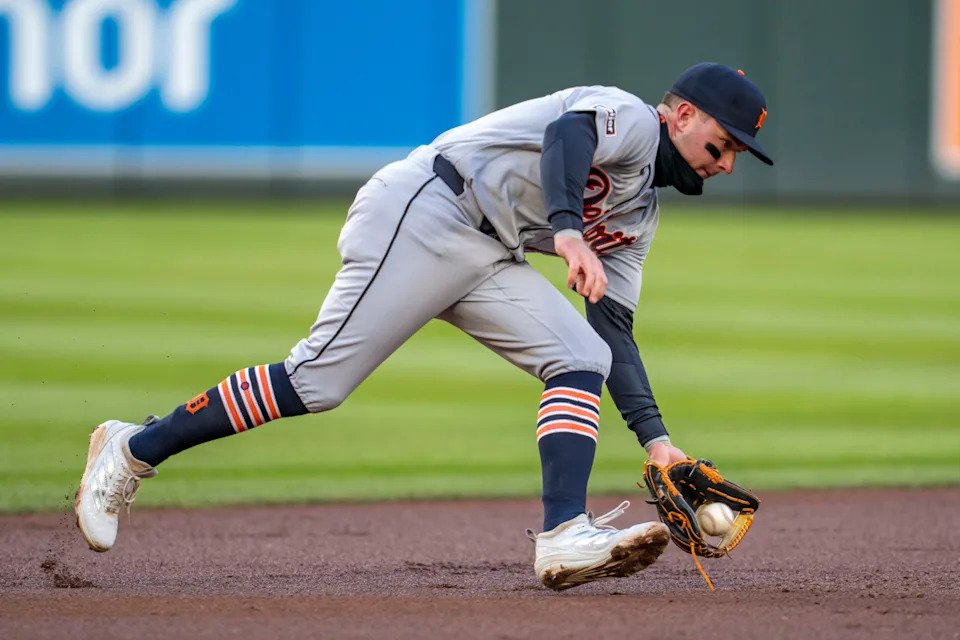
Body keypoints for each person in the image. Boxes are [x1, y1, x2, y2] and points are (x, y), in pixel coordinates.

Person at [75, 62, 772, 591]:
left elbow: (615, 330)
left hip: (486, 253)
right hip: (428, 207)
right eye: (724, 141)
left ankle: (563, 534)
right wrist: (565, 232)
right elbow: (570, 133)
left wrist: (659, 445)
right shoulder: (629, 118)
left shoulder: (638, 218)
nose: (728, 162)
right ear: (681, 115)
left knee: (581, 353)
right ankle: (133, 448)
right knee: (315, 383)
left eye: (739, 153)